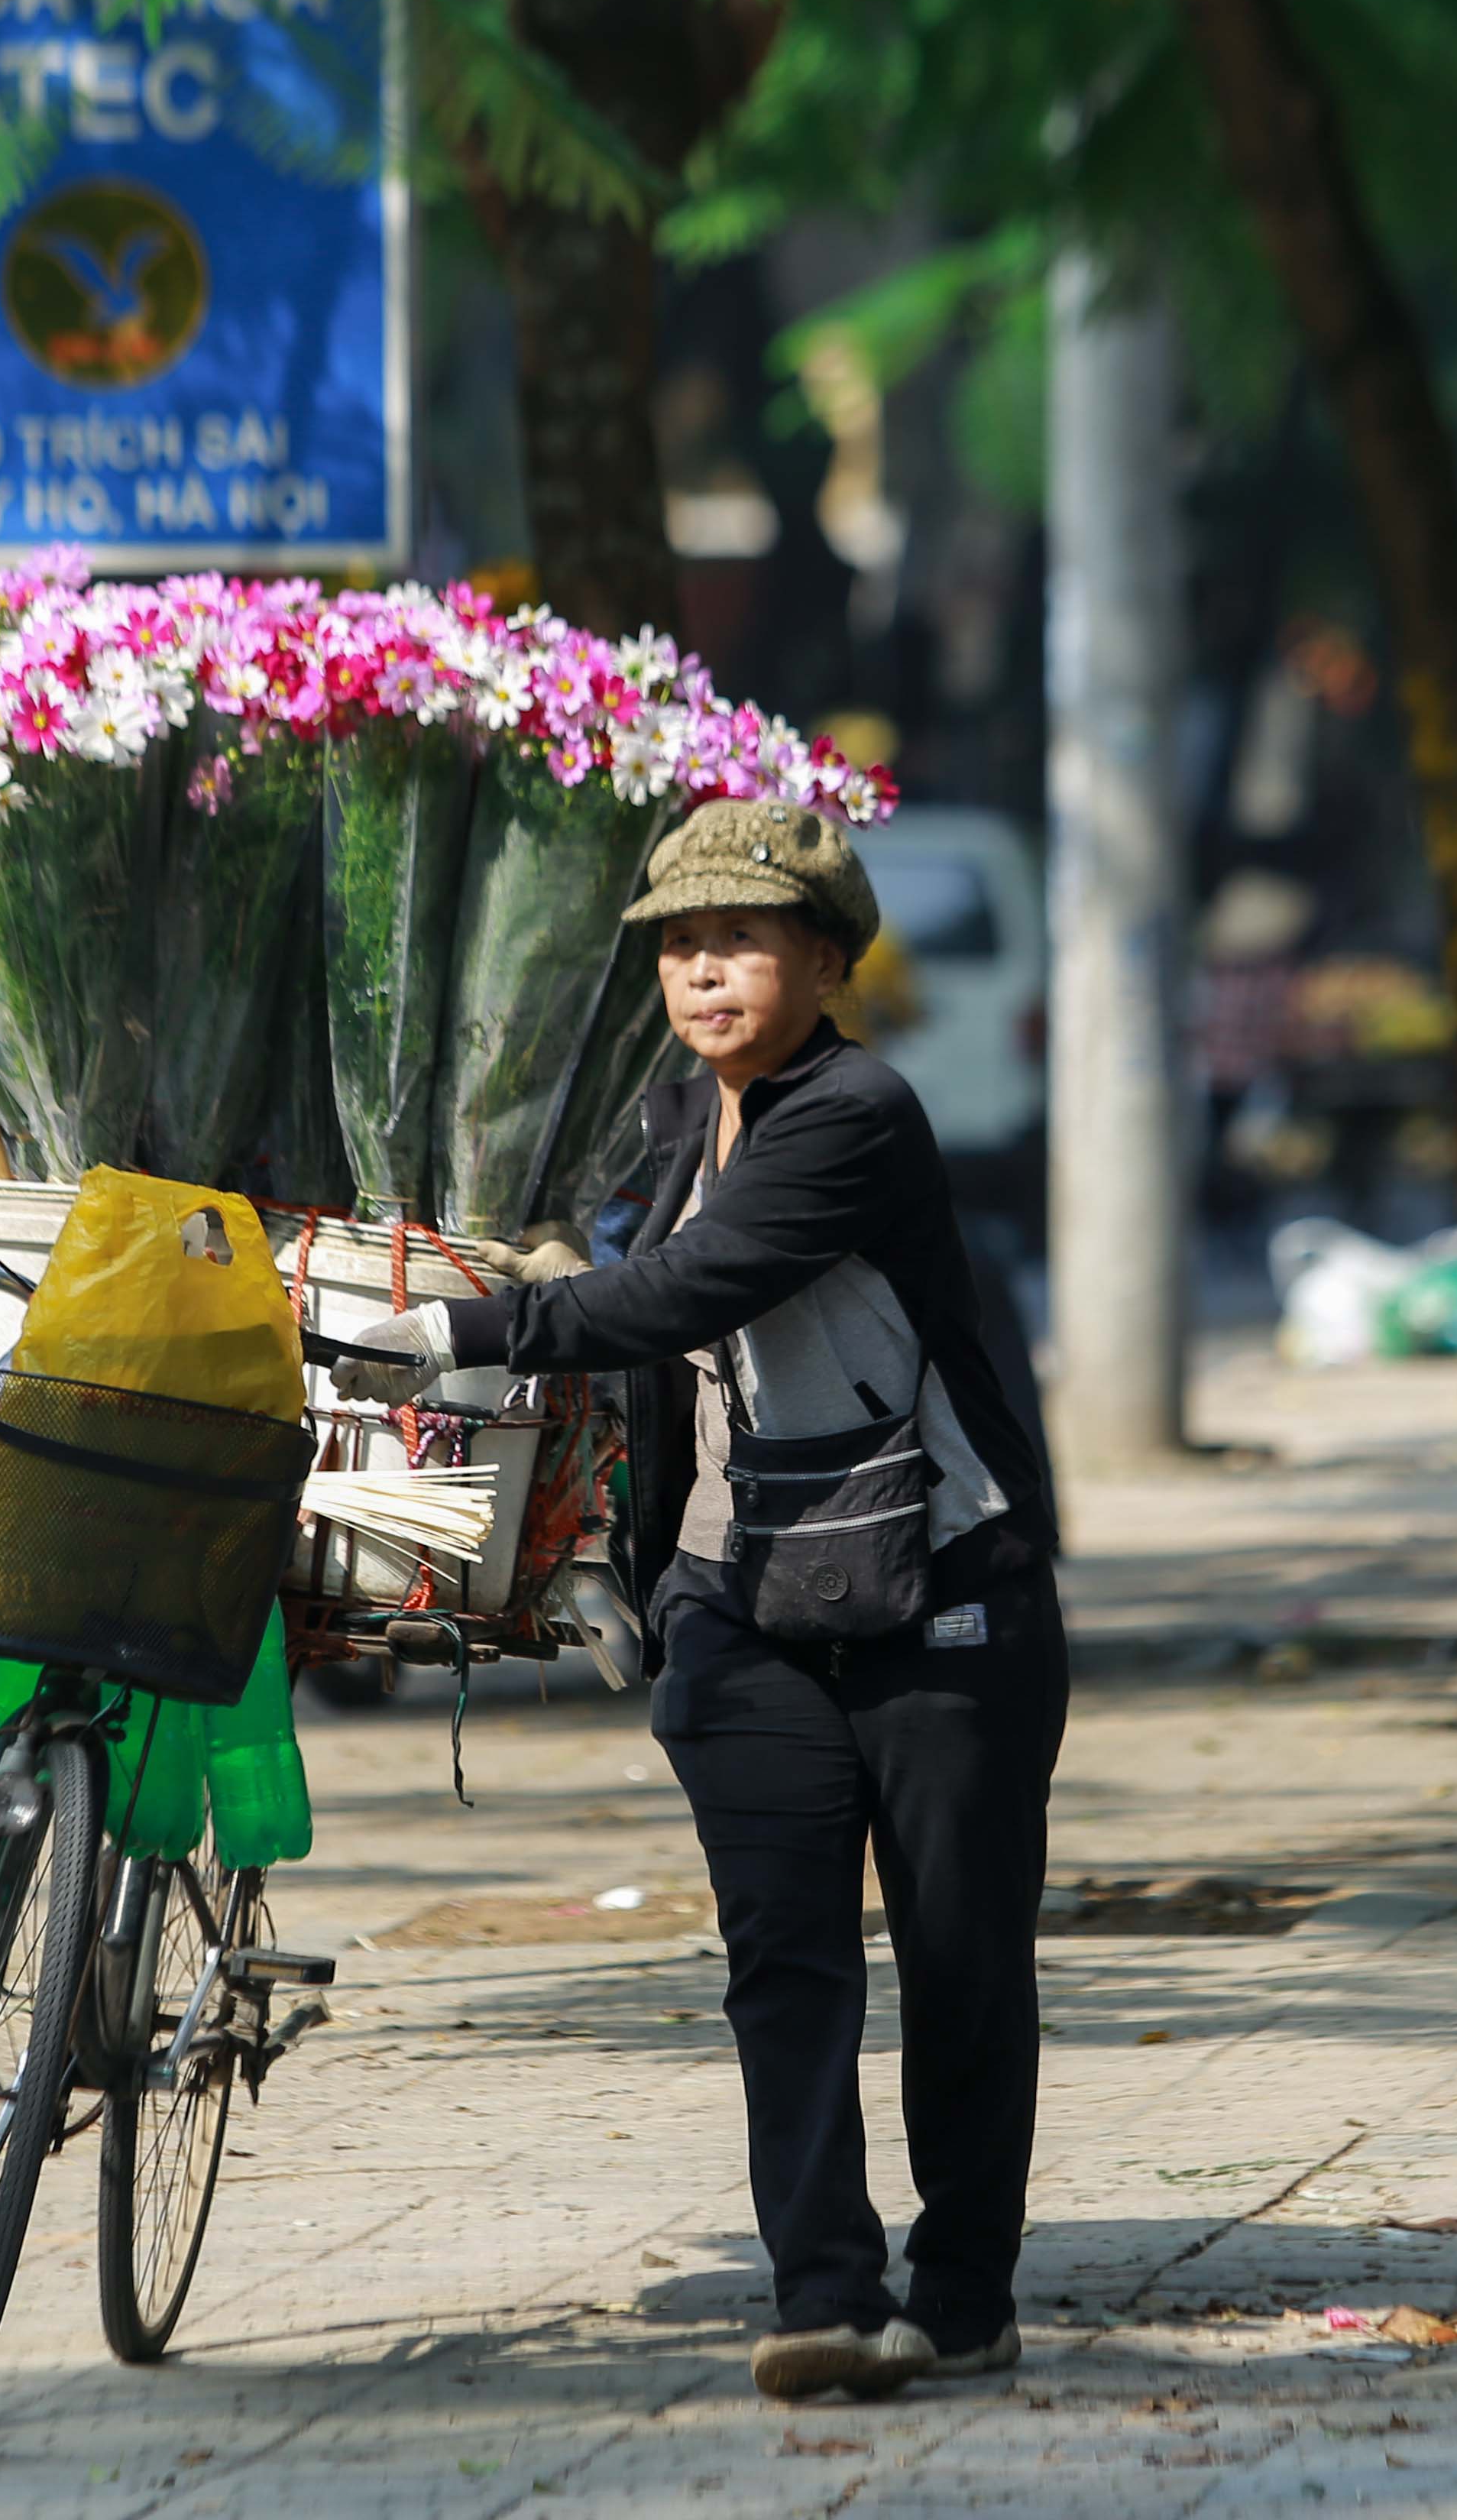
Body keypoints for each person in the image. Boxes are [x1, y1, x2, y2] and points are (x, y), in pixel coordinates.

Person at [335, 798, 1064, 2404]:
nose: (705, 969)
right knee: (783, 1955)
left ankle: (964, 2292)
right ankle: (825, 2293)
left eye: (739, 938)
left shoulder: (855, 1113)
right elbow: (633, 1301)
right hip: (743, 1606)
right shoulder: (679, 1121)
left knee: (958, 1959)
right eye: (679, 944)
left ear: (823, 956)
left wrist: (481, 1330)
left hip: (945, 1599)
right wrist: (616, 1560)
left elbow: (689, 1289)